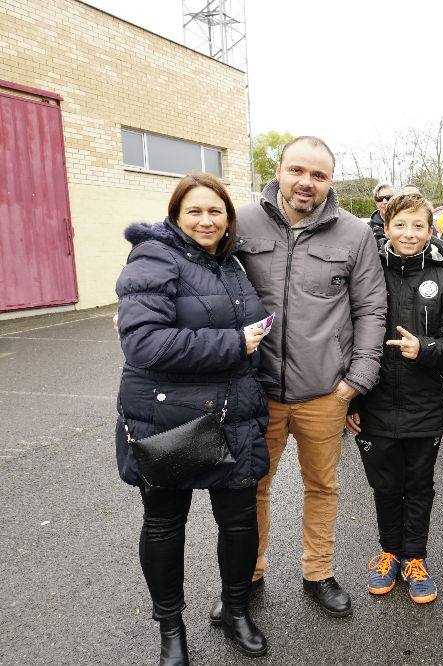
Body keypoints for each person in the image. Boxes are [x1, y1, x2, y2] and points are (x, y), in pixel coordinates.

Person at [115, 173, 270, 663]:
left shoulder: (231, 263)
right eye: (195, 211)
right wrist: (234, 344)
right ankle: (171, 630)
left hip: (232, 412)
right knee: (164, 524)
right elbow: (143, 343)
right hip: (168, 421)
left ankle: (237, 611)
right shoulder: (153, 256)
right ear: (176, 215)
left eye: (216, 211)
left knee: (239, 522)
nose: (206, 220)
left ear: (229, 217)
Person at [232, 136, 387, 620]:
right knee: (252, 486)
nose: (306, 182)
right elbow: (185, 260)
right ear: (277, 169)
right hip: (258, 391)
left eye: (318, 175)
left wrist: (356, 380)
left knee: (322, 487)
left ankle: (318, 572)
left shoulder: (354, 234)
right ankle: (248, 576)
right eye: (297, 170)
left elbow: (370, 308)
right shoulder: (240, 222)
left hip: (325, 392)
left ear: (330, 183)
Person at [345, 192, 443, 604]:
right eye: (400, 225)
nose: (409, 234)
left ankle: (415, 557)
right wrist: (353, 400)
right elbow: (349, 335)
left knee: (419, 485)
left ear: (431, 230)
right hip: (375, 402)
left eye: (418, 226)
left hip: (425, 405)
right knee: (384, 485)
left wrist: (425, 350)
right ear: (386, 224)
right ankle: (389, 553)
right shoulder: (368, 271)